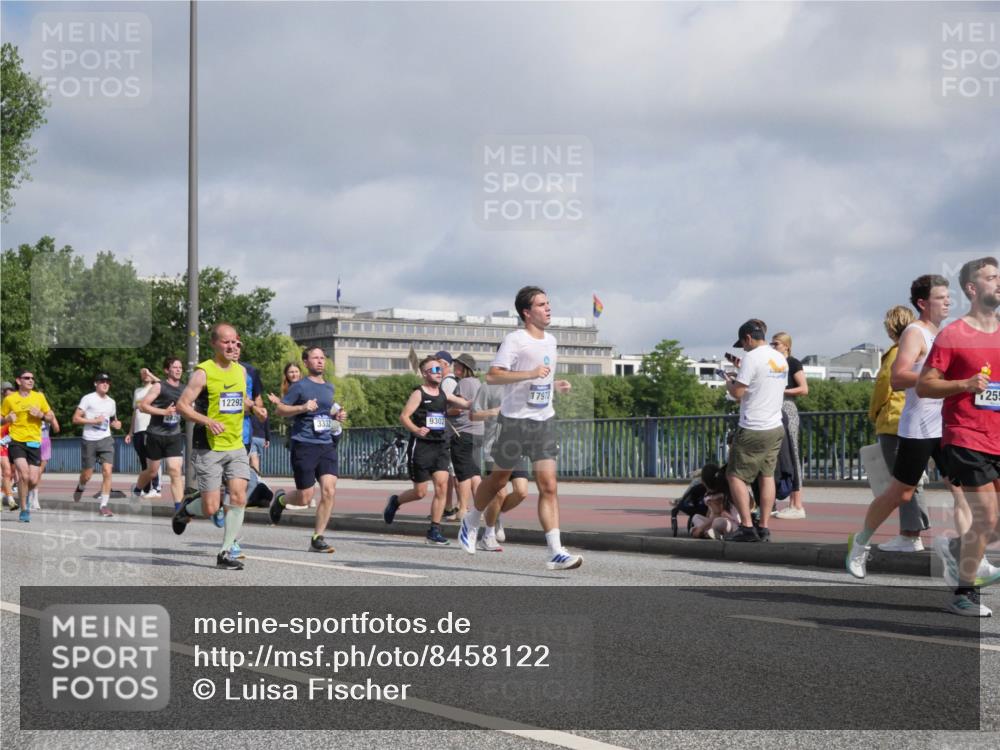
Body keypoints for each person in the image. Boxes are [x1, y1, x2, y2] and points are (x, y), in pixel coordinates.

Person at [847, 275, 978, 578]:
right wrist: (938, 382)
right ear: (922, 303)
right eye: (941, 297)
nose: (948, 302)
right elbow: (897, 378)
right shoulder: (914, 333)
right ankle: (861, 542)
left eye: (949, 297)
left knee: (963, 492)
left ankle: (965, 555)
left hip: (946, 427)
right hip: (919, 427)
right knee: (901, 493)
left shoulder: (944, 335)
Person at [458, 286, 581, 570]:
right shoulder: (515, 339)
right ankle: (472, 518)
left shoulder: (551, 340)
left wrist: (554, 384)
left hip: (543, 421)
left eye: (549, 303)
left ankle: (555, 550)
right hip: (514, 422)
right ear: (527, 312)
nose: (548, 308)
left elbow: (541, 378)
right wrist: (530, 374)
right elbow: (493, 376)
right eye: (541, 304)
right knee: (499, 481)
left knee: (548, 486)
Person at [919, 257, 1000, 616]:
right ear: (971, 288)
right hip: (966, 437)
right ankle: (963, 594)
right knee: (986, 518)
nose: (999, 283)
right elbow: (924, 385)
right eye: (991, 278)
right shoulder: (953, 335)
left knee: (991, 526)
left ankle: (957, 550)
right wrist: (964, 384)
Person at [172, 322, 252, 570]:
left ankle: (225, 552)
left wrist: (254, 408)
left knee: (239, 496)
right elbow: (182, 405)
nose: (231, 346)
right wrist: (207, 421)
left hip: (236, 444)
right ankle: (188, 508)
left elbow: (237, 399)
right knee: (211, 507)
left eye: (234, 341)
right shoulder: (203, 372)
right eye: (225, 342)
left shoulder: (241, 371)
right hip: (209, 446)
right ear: (215, 344)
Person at [382, 355, 471, 545]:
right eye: (435, 370)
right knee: (420, 492)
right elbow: (404, 417)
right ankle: (396, 501)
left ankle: (434, 530)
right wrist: (416, 430)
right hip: (421, 446)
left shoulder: (444, 394)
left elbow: (465, 404)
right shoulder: (419, 393)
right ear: (424, 373)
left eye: (440, 369)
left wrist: (484, 401)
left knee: (441, 486)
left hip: (440, 445)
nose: (439, 373)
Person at [268, 346, 346, 553]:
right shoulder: (299, 387)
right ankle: (282, 500)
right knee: (304, 496)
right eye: (315, 358)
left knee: (329, 490)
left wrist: (335, 417)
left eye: (322, 358)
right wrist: (302, 407)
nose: (320, 361)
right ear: (306, 362)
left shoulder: (329, 387)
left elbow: (324, 412)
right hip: (304, 444)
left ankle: (317, 537)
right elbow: (280, 409)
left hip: (326, 443)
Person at [866, 305, 931, 551]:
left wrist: (873, 413)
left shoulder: (896, 352)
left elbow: (884, 387)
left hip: (894, 421)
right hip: (918, 419)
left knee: (902, 480)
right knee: (911, 479)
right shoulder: (921, 347)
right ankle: (912, 532)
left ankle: (909, 535)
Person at [720, 319, 788, 542]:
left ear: (748, 338)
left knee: (735, 476)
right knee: (766, 476)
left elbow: (738, 394)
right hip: (775, 425)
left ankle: (747, 527)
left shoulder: (751, 357)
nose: (744, 348)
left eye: (743, 343)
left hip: (753, 426)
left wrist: (729, 382)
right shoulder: (780, 358)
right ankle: (764, 527)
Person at [470, 381, 531, 551]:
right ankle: (488, 535)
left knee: (521, 492)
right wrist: (493, 412)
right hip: (494, 448)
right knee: (499, 493)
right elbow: (473, 414)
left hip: (517, 447)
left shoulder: (524, 386)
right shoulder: (488, 386)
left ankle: (495, 515)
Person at [1, 369, 57, 522]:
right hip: (17, 441)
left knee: (33, 480)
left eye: (32, 378)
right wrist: (6, 419)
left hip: (34, 442)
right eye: (27, 378)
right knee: (24, 475)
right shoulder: (10, 400)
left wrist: (42, 416)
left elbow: (50, 415)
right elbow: (0, 418)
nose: (31, 380)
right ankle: (24, 509)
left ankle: (22, 494)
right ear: (19, 381)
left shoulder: (39, 397)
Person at [138, 356, 187, 510]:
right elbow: (142, 406)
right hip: (155, 434)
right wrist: (163, 411)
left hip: (174, 435)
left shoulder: (185, 389)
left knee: (175, 469)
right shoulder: (159, 387)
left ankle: (179, 509)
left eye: (180, 367)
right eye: (175, 367)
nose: (178, 370)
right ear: (167, 370)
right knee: (152, 472)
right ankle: (137, 488)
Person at [71, 373, 122, 517]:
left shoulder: (111, 402)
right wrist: (93, 421)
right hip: (89, 440)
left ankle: (104, 505)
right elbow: (75, 419)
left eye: (108, 382)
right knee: (87, 475)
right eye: (102, 382)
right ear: (96, 383)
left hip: (106, 439)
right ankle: (81, 486)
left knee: (107, 470)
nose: (105, 384)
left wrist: (116, 424)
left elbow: (112, 419)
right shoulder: (88, 399)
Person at [769, 332, 808, 519]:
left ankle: (797, 503)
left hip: (787, 407)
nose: (773, 347)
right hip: (774, 408)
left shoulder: (793, 363)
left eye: (776, 344)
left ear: (786, 345)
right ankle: (784, 500)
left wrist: (782, 390)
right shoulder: (773, 365)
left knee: (792, 453)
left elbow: (804, 388)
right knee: (780, 455)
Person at [448, 353, 485, 521]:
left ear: (465, 368)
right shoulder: (479, 383)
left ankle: (462, 509)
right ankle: (480, 510)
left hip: (462, 432)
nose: (454, 368)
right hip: (478, 432)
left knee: (463, 473)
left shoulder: (463, 384)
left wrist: (444, 412)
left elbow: (458, 408)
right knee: (475, 472)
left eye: (457, 365)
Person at [125, 367, 161, 498]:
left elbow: (163, 384)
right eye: (143, 374)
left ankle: (156, 488)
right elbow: (135, 412)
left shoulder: (155, 388)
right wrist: (130, 432)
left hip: (150, 429)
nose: (145, 375)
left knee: (152, 459)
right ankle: (146, 489)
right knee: (143, 461)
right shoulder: (137, 391)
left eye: (147, 373)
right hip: (138, 430)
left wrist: (151, 374)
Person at [435, 350, 460, 520]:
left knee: (455, 471)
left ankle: (459, 507)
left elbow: (455, 408)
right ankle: (450, 506)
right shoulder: (447, 382)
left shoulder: (448, 383)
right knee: (451, 471)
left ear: (445, 364)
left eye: (437, 364)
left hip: (450, 432)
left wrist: (440, 413)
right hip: (451, 431)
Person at [690, 463, 740, 540]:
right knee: (696, 517)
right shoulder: (711, 494)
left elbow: (716, 515)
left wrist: (701, 527)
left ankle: (707, 532)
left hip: (730, 524)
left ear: (704, 482)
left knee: (717, 522)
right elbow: (710, 514)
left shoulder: (717, 497)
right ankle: (708, 532)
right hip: (715, 522)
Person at [32, 410, 61, 510]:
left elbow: (57, 429)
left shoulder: (49, 412)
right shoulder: (30, 409)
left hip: (45, 441)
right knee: (32, 471)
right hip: (32, 440)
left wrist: (52, 420)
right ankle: (30, 496)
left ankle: (35, 498)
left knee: (39, 471)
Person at [1, 381, 15, 510]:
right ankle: (10, 498)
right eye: (6, 392)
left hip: (12, 443)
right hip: (1, 443)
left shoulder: (17, 408)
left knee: (10, 472)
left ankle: (1, 496)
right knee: (6, 471)